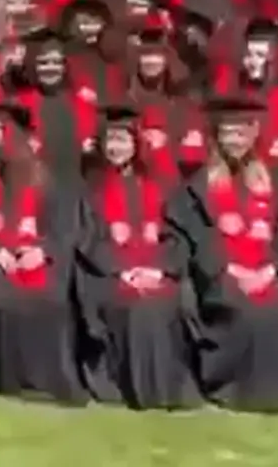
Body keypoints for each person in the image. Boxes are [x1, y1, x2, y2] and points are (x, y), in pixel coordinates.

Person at [168, 94, 278, 412]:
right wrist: (229, 270)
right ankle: (236, 390)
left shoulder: (272, 182)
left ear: (253, 134)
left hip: (269, 269)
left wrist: (273, 270)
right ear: (216, 136)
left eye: (241, 132)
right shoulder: (197, 187)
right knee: (246, 310)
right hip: (222, 273)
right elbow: (193, 238)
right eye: (227, 133)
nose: (235, 140)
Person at [0, 101, 87, 405]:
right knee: (1, 296)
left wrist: (42, 251)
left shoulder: (43, 178)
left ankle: (45, 382)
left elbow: (63, 230)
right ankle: (8, 379)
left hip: (35, 259)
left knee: (50, 299)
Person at [75, 102, 198, 409]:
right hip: (110, 275)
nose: (116, 147)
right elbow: (88, 241)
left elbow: (177, 238)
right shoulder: (91, 190)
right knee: (135, 305)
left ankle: (167, 387)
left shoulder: (160, 187)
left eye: (123, 140)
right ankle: (135, 388)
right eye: (111, 141)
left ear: (136, 144)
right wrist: (124, 270)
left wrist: (158, 270)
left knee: (165, 301)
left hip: (157, 271)